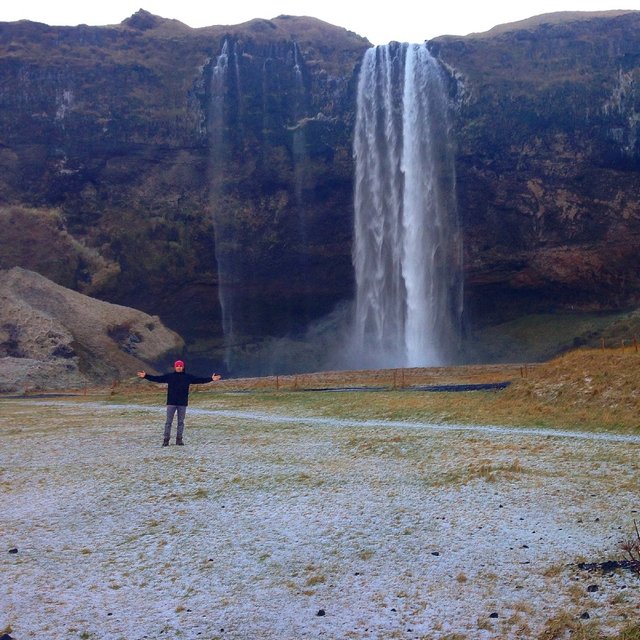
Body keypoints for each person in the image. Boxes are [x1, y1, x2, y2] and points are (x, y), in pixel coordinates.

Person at [137, 360, 221, 446]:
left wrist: (211, 379)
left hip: (182, 403)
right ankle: (166, 440)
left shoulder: (188, 377)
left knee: (180, 422)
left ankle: (179, 440)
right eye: (177, 366)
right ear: (175, 367)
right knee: (168, 422)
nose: (179, 367)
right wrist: (146, 376)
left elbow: (200, 380)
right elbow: (157, 379)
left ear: (183, 367)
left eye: (180, 366)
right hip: (171, 402)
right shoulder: (170, 376)